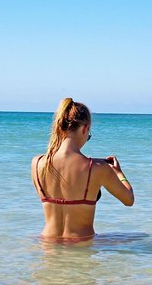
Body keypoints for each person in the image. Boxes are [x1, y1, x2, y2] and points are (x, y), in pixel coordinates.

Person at [31, 98, 134, 242]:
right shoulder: (97, 168)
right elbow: (129, 199)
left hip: (47, 244)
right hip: (82, 245)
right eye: (89, 135)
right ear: (85, 128)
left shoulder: (37, 164)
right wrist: (118, 173)